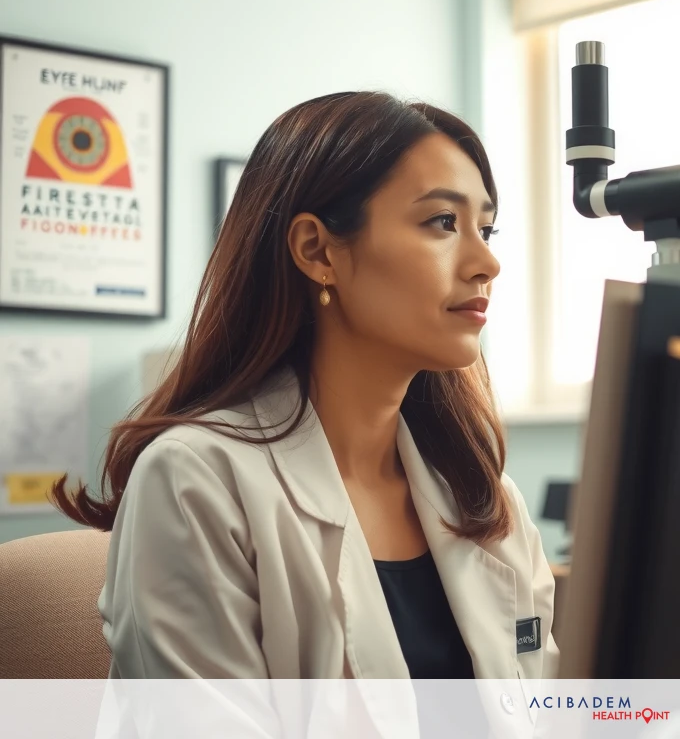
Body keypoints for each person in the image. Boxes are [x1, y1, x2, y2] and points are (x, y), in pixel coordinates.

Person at [52, 93, 558, 704]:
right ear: (318, 251)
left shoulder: (484, 493)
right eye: (442, 223)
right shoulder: (195, 481)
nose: (487, 262)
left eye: (487, 227)